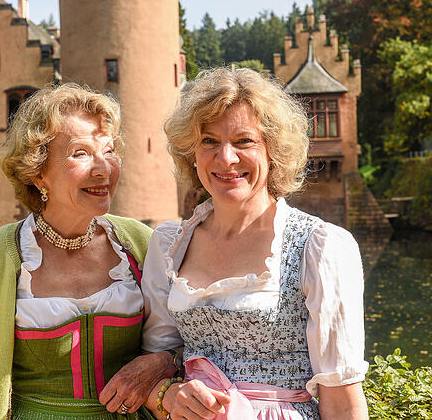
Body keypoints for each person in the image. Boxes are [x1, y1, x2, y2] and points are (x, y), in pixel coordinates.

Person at [0, 83, 176, 420]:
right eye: (81, 153)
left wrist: (164, 360)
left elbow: (190, 338)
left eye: (109, 150)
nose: (103, 168)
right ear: (39, 172)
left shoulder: (142, 245)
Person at [140, 68, 369, 420]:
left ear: (273, 150)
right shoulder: (169, 245)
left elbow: (342, 397)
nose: (226, 158)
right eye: (209, 141)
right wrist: (171, 396)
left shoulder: (319, 247)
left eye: (244, 141)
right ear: (192, 153)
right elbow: (158, 365)